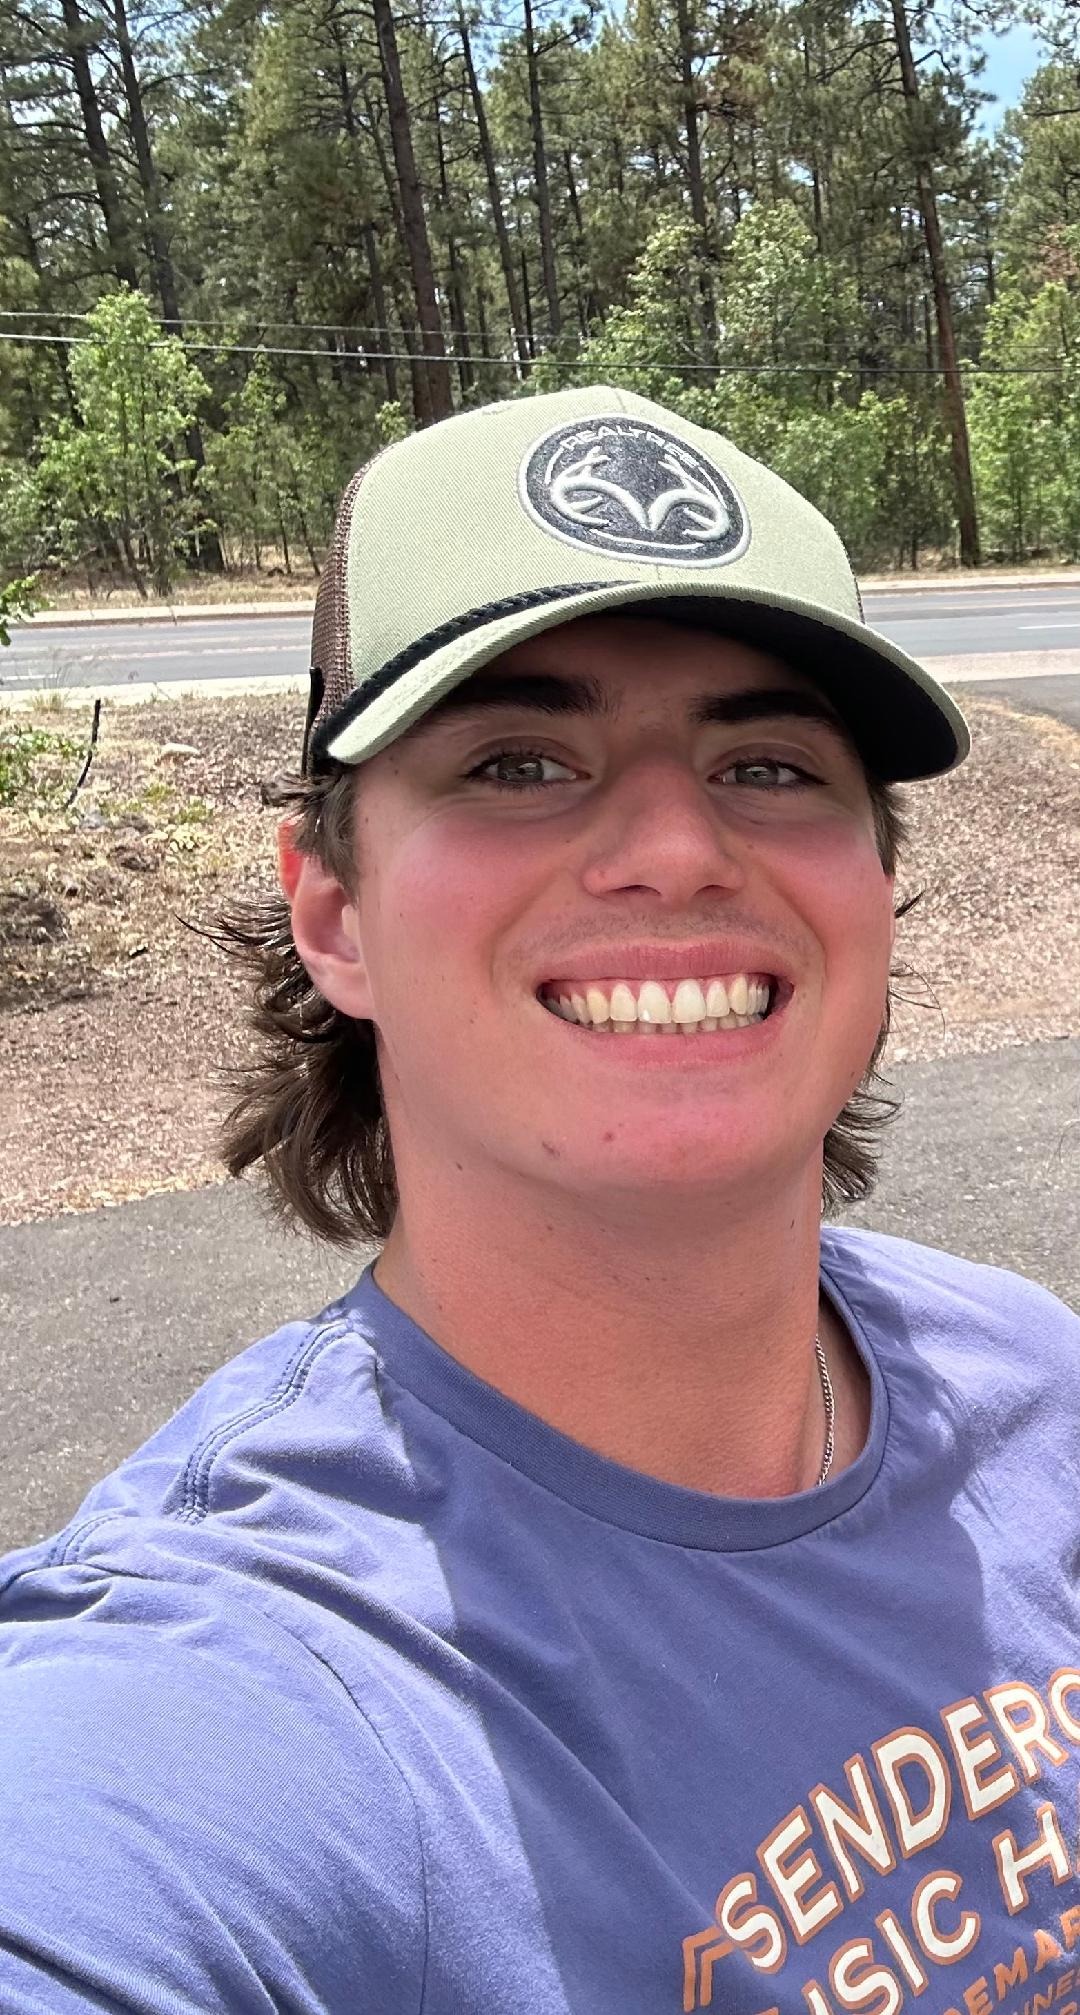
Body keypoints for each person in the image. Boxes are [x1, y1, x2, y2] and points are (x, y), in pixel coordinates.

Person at [2, 384, 1078, 2015]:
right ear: (333, 914)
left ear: (875, 884)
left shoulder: (1027, 1383)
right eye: (519, 762)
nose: (675, 845)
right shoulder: (249, 1681)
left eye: (770, 763)